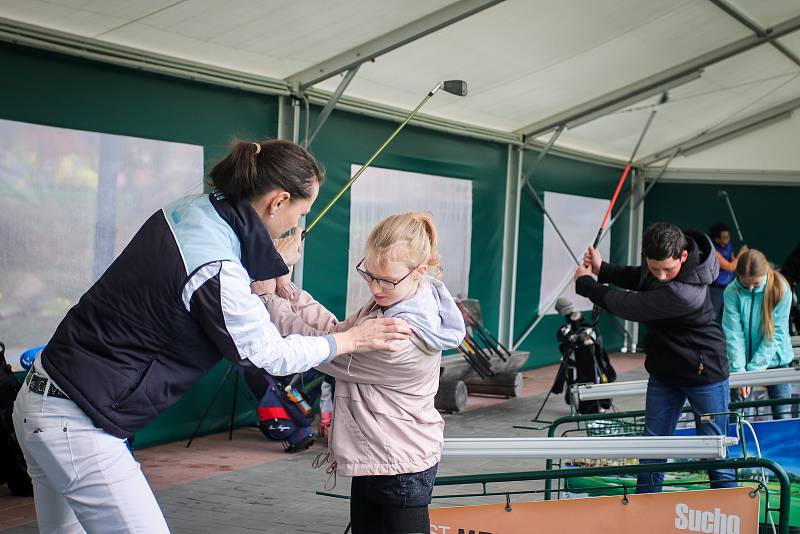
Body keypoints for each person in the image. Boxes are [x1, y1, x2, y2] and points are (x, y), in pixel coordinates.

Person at [12, 139, 411, 533]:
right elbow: (267, 353)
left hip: (42, 399)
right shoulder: (217, 267)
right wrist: (353, 339)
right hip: (77, 423)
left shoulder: (190, 210)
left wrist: (269, 262)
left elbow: (209, 270)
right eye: (301, 212)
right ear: (278, 201)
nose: (297, 224)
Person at [257, 212, 466, 534]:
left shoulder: (401, 335)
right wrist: (286, 287)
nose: (375, 288)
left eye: (386, 280)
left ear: (419, 272)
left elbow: (322, 351)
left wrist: (265, 296)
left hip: (399, 464)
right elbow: (336, 331)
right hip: (379, 452)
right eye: (369, 275)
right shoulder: (393, 303)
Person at [574, 222, 734, 493]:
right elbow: (639, 276)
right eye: (654, 267)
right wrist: (604, 269)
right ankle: (645, 507)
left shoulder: (684, 294)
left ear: (683, 257)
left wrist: (586, 284)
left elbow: (630, 305)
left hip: (704, 373)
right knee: (652, 445)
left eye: (667, 269)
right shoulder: (659, 269)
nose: (660, 276)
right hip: (665, 372)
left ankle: (733, 510)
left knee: (713, 449)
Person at [722, 249, 794, 419]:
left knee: (783, 417)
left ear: (765, 273)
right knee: (738, 418)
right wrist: (741, 374)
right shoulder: (731, 292)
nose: (751, 288)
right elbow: (734, 335)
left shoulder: (781, 288)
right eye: (745, 284)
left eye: (756, 284)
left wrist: (754, 372)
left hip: (777, 361)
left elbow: (775, 335)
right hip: (742, 365)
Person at [709, 223, 747, 322]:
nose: (728, 238)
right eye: (725, 237)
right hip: (716, 290)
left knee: (728, 316)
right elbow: (729, 267)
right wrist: (742, 253)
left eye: (728, 235)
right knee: (713, 316)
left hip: (729, 287)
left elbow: (733, 262)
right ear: (717, 239)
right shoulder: (714, 251)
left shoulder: (728, 246)